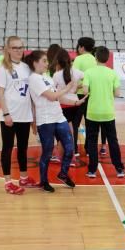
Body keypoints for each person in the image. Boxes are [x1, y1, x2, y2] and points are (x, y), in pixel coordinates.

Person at [26, 50, 77, 193]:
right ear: (35, 63)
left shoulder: (47, 78)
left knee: (69, 148)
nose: (47, 64)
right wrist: (67, 88)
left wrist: (75, 102)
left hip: (59, 117)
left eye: (47, 61)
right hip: (46, 120)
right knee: (47, 153)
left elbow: (57, 98)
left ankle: (63, 174)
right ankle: (44, 181)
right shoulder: (34, 79)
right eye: (44, 61)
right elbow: (51, 96)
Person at [0, 36, 38, 195]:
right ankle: (8, 182)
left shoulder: (27, 67)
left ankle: (24, 178)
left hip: (25, 116)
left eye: (21, 47)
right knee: (7, 148)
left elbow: (31, 94)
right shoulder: (3, 68)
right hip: (9, 115)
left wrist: (33, 117)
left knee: (23, 148)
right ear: (8, 50)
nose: (19, 50)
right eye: (15, 48)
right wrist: (6, 113)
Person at [82, 45, 125, 179]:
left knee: (92, 141)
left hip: (92, 113)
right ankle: (119, 169)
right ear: (107, 59)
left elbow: (84, 91)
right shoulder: (113, 73)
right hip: (108, 113)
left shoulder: (89, 72)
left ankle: (92, 170)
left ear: (96, 57)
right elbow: (118, 93)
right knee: (113, 141)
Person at [52, 48, 87, 160]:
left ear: (58, 61)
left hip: (62, 104)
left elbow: (53, 91)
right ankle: (70, 156)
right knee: (71, 131)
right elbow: (87, 78)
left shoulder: (56, 75)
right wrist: (78, 86)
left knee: (60, 132)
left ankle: (59, 155)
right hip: (75, 104)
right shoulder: (77, 72)